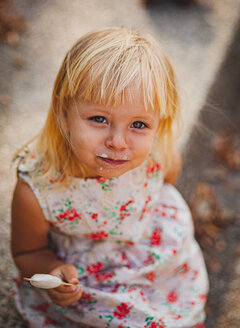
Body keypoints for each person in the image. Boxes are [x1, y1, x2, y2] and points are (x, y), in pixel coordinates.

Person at [11, 27, 208, 328]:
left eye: (139, 124)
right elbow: (27, 251)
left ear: (160, 124)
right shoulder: (38, 189)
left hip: (156, 261)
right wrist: (52, 270)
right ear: (64, 113)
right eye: (99, 119)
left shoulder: (159, 156)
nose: (118, 141)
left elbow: (165, 183)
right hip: (91, 279)